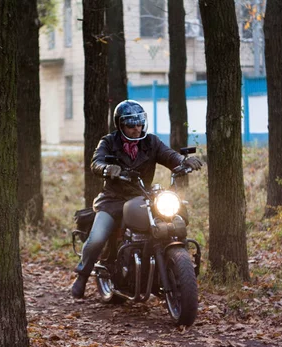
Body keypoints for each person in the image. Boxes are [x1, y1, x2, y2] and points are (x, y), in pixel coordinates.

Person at [71, 99, 203, 298]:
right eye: (131, 124)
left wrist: (183, 162)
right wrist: (107, 168)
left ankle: (177, 270)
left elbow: (168, 155)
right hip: (113, 200)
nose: (137, 128)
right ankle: (81, 276)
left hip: (142, 198)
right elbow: (96, 162)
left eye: (139, 123)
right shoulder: (109, 142)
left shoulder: (151, 142)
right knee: (97, 237)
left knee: (173, 221)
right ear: (120, 124)